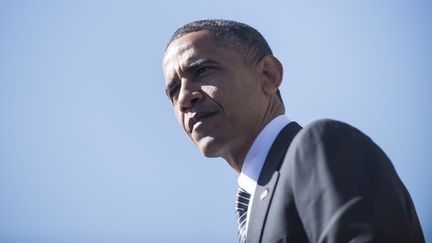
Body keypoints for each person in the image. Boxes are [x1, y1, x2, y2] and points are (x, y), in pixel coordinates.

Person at [162, 19, 425, 243]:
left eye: (202, 70)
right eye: (173, 90)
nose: (184, 97)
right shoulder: (252, 209)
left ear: (268, 74)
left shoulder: (321, 146)